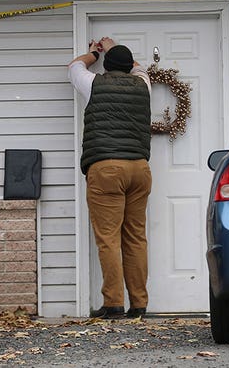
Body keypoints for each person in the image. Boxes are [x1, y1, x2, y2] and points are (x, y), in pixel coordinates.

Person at [68, 36, 152, 319]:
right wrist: (116, 45)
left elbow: (74, 67)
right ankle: (139, 304)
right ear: (129, 66)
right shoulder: (143, 84)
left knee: (109, 238)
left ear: (107, 66)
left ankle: (114, 303)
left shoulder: (94, 83)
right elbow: (139, 68)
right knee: (136, 238)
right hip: (139, 169)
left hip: (106, 168)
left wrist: (94, 53)